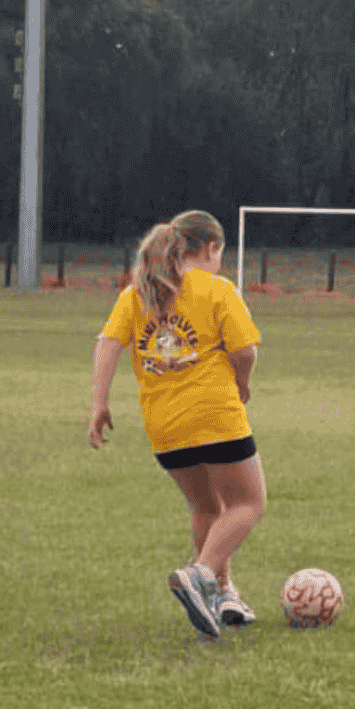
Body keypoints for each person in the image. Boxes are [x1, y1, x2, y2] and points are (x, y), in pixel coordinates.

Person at [87, 210, 265, 640]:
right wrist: (241, 381)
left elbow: (108, 345)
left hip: (165, 428)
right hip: (215, 416)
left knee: (207, 508)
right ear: (210, 249)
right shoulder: (217, 289)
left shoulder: (138, 294)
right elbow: (245, 351)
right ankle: (201, 574)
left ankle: (224, 594)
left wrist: (99, 403)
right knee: (248, 503)